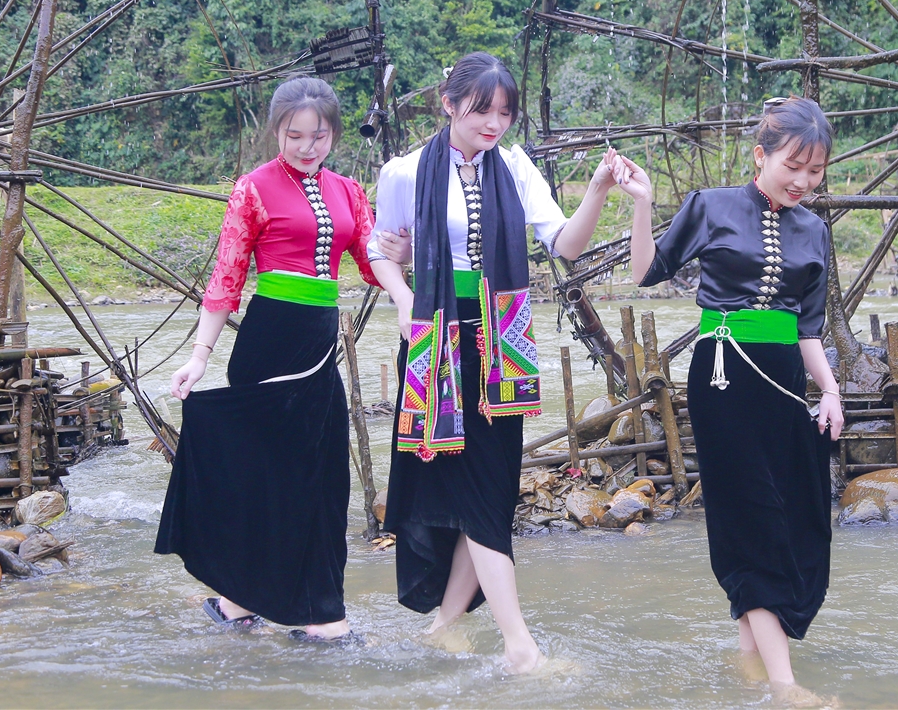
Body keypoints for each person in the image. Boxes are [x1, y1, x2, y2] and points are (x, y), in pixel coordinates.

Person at [368, 52, 626, 673]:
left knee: (489, 490)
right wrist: (404, 300)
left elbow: (564, 244)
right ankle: (520, 644)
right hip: (435, 341)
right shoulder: (403, 172)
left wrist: (594, 192)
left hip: (500, 343)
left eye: (505, 112)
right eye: (482, 110)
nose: (495, 124)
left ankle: (444, 627)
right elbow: (381, 250)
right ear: (449, 104)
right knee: (469, 488)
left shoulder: (515, 166)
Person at [618, 96, 844, 698]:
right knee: (754, 521)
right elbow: (647, 271)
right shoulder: (711, 206)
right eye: (792, 166)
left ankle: (746, 665)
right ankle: (785, 684)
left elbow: (808, 327)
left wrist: (830, 391)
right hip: (724, 379)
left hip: (784, 388)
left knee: (799, 520)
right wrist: (643, 204)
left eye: (815, 171)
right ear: (760, 155)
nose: (803, 181)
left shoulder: (814, 229)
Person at [155, 76, 379, 644]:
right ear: (276, 131)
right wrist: (200, 356)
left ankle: (237, 602)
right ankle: (319, 615)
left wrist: (409, 260)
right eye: (295, 135)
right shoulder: (252, 189)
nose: (308, 146)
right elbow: (226, 278)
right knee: (270, 480)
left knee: (325, 482)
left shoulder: (350, 191)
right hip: (269, 344)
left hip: (320, 346)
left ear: (333, 133)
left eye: (319, 135)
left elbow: (376, 266)